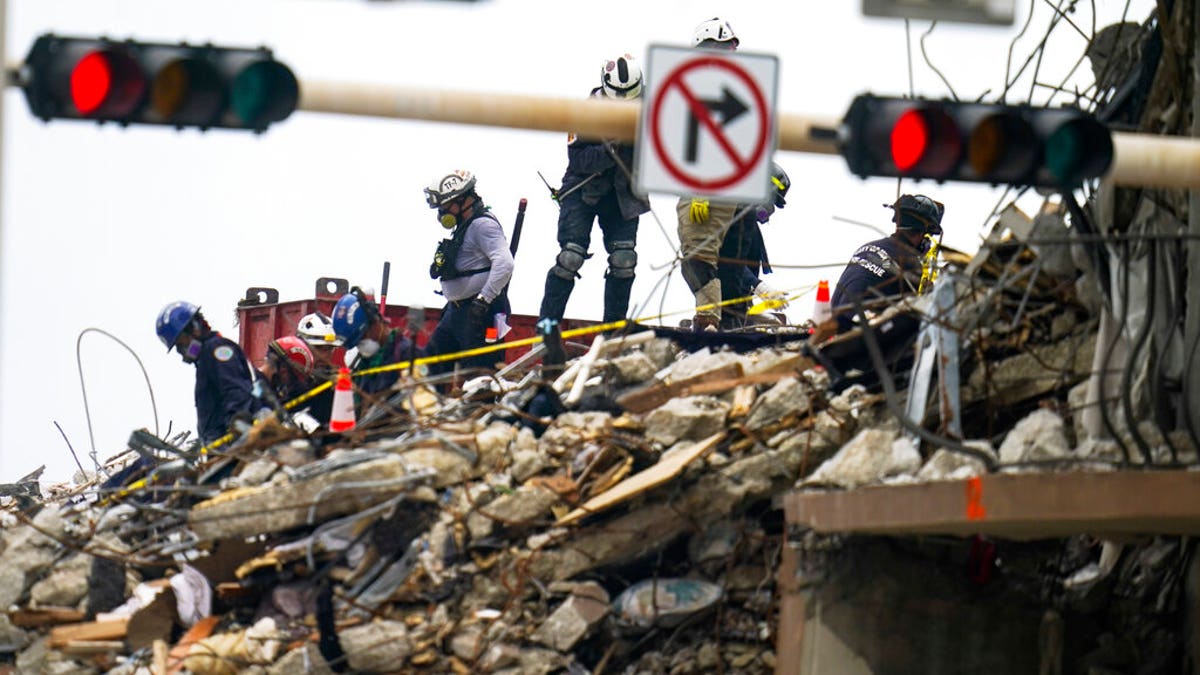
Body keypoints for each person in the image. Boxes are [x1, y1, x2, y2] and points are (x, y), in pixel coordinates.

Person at [538, 53, 651, 326]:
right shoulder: (584, 112)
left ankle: (612, 330)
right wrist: (611, 147)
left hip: (623, 193)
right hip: (582, 190)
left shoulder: (651, 111)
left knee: (624, 259)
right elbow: (578, 160)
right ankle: (547, 328)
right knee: (570, 258)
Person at [677, 17, 744, 331]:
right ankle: (710, 318)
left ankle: (708, 322)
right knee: (702, 257)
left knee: (698, 258)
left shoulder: (718, 86)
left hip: (709, 185)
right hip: (716, 183)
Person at [423, 169, 514, 377]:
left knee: (478, 374)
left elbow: (505, 263)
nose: (442, 213)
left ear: (462, 200)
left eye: (445, 207)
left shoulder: (483, 225)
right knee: (430, 366)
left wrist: (483, 300)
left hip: (478, 313)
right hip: (456, 312)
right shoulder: (464, 227)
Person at [155, 301, 267, 445]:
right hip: (218, 447)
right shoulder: (204, 360)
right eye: (178, 347)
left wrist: (239, 432)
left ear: (195, 328)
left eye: (182, 343)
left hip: (234, 445)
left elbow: (234, 390)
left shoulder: (216, 349)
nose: (182, 351)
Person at [830, 194, 944, 333]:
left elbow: (884, 268)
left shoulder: (867, 247)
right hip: (858, 336)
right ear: (922, 234)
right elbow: (910, 314)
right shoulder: (910, 264)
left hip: (830, 325)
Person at [717, 162, 792, 329]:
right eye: (771, 200)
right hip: (722, 312)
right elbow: (725, 262)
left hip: (737, 310)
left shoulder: (748, 227)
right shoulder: (729, 220)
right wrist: (760, 287)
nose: (770, 209)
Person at [331, 288, 413, 397]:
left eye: (362, 337)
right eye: (357, 343)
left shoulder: (405, 354)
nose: (361, 345)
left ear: (375, 322)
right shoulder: (364, 364)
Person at [258, 336, 333, 426]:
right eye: (293, 379)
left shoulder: (256, 385)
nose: (290, 384)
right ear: (284, 370)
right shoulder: (255, 393)